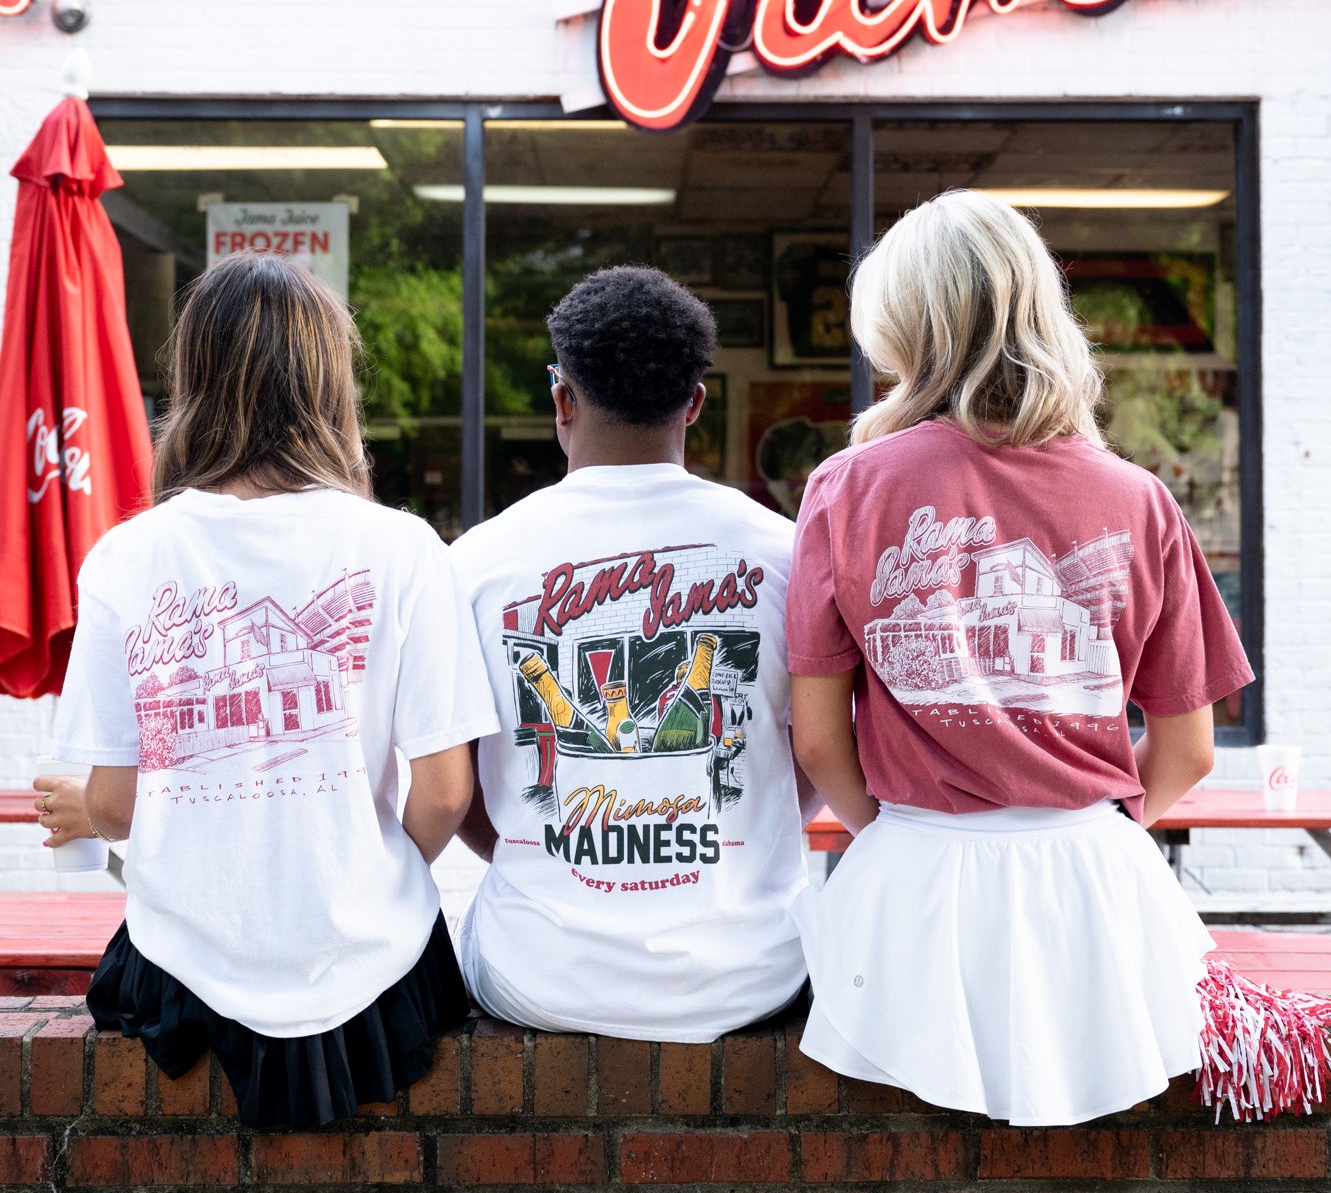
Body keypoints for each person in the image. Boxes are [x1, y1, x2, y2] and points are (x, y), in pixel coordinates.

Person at [787, 191, 1254, 1127]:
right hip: (1096, 885)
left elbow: (817, 741)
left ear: (904, 327)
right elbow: (1189, 749)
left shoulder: (847, 487)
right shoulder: (1139, 498)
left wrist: (893, 835)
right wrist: (1096, 830)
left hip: (913, 877)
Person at [47, 254, 499, 1126]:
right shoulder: (403, 547)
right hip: (377, 968)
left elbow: (116, 804)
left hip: (181, 972)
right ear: (329, 383)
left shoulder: (123, 557)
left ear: (194, 381)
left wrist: (92, 807)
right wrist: (360, 864)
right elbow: (446, 794)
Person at [451, 265, 809, 1040]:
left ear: (562, 398)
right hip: (749, 975)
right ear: (695, 403)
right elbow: (811, 759)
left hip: (538, 976)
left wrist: (546, 848)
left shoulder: (476, 563)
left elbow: (456, 788)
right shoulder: (787, 554)